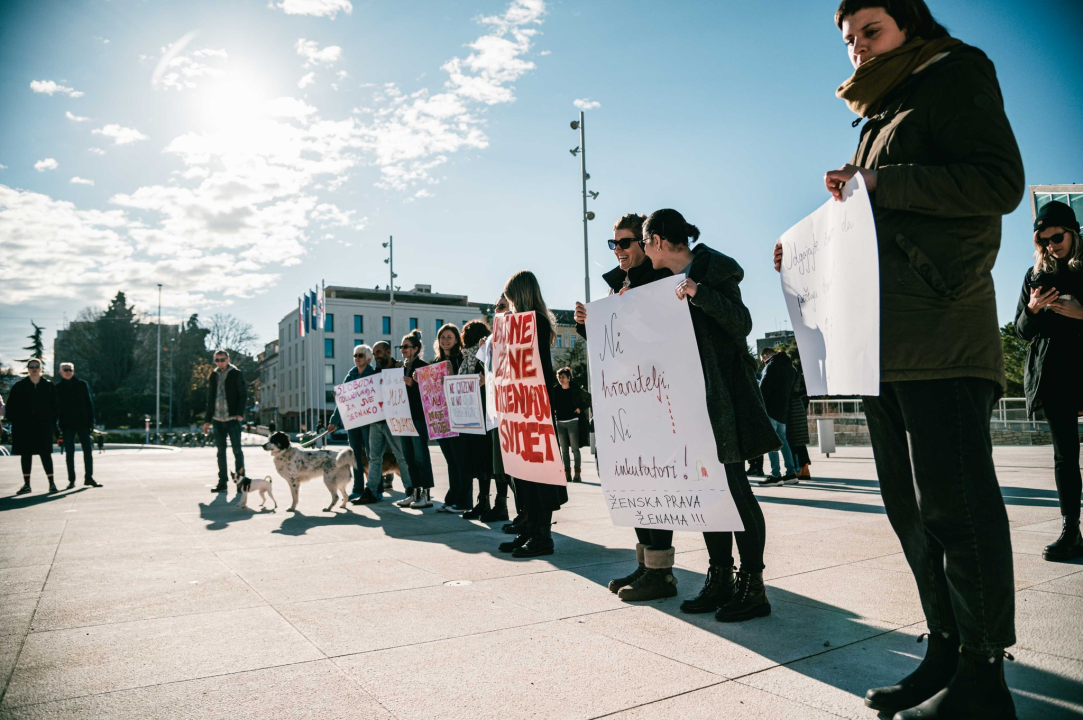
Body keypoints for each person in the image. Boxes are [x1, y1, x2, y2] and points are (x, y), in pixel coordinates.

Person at [771, 2, 1024, 716]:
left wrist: (883, 184)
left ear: (910, 26)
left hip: (940, 332)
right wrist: (811, 246)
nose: (857, 50)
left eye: (870, 33)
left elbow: (996, 183)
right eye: (849, 41)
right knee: (910, 510)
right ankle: (944, 648)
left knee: (958, 508)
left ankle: (983, 673)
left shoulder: (953, 75)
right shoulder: (881, 110)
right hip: (881, 344)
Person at [628, 209, 780, 618]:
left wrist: (700, 293)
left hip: (725, 399)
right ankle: (720, 577)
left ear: (658, 240)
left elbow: (742, 323)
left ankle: (753, 585)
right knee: (707, 491)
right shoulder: (662, 283)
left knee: (734, 488)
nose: (642, 250)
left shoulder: (716, 269)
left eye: (644, 241)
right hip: (688, 403)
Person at [1015, 200, 1083, 562]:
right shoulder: (1034, 275)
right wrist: (1033, 309)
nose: (1051, 246)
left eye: (1057, 237)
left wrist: (1081, 313)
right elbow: (1021, 331)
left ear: (1072, 232)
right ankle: (1071, 530)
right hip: (1054, 374)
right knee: (1065, 457)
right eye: (1043, 241)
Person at [497, 271, 565, 558]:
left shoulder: (534, 320)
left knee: (538, 474)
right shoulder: (519, 322)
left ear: (520, 294)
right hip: (519, 407)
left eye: (510, 295)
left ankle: (542, 536)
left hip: (533, 406)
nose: (507, 301)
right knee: (522, 473)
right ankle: (528, 530)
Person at [574, 213, 672, 339]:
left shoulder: (663, 277)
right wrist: (584, 322)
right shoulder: (614, 286)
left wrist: (640, 306)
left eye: (624, 243)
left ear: (643, 243)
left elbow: (673, 326)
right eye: (613, 243)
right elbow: (609, 342)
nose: (617, 249)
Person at [354, 341, 412, 504]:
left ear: (388, 352)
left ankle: (410, 490)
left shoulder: (400, 368)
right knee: (374, 458)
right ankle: (371, 491)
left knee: (401, 456)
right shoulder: (375, 372)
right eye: (374, 353)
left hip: (394, 420)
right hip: (376, 421)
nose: (376, 356)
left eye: (378, 352)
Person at [456, 320, 496, 519]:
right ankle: (483, 502)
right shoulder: (466, 357)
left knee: (485, 462)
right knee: (479, 462)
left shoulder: (481, 354)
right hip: (471, 416)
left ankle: (488, 503)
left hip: (482, 415)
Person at [327, 345, 377, 502]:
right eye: (355, 355)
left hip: (369, 421)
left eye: (360, 355)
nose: (357, 358)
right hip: (353, 421)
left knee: (371, 454)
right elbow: (342, 402)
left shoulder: (373, 375)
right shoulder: (350, 376)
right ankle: (357, 488)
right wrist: (334, 421)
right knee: (355, 456)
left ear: (368, 358)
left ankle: (375, 488)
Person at [6, 358, 59, 494]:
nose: (34, 368)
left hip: (43, 425)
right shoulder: (20, 385)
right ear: (28, 369)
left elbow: (55, 407)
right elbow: (11, 406)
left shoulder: (48, 385)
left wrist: (53, 425)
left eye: (37, 366)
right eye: (31, 366)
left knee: (45, 454)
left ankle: (52, 483)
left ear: (41, 368)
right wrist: (15, 422)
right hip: (24, 426)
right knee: (26, 454)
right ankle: (26, 484)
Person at [433, 324, 469, 513]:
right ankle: (452, 497)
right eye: (442, 337)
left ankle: (463, 500)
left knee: (460, 460)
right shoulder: (436, 362)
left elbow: (466, 387)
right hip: (441, 418)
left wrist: (453, 375)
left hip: (459, 418)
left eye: (449, 337)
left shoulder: (461, 359)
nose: (445, 340)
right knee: (450, 461)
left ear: (457, 340)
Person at [398, 330, 435, 509]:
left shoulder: (422, 366)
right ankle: (414, 493)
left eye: (406, 347)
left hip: (418, 417)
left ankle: (426, 494)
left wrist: (414, 385)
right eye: (401, 347)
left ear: (416, 348)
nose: (402, 350)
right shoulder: (400, 367)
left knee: (421, 457)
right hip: (403, 418)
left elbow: (430, 393)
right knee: (409, 457)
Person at [203, 350, 247, 493]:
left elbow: (243, 394)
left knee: (237, 451)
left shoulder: (236, 373)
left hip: (232, 418)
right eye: (217, 360)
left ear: (228, 359)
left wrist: (239, 413)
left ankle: (241, 482)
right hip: (217, 419)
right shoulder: (213, 375)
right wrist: (207, 421)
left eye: (222, 359)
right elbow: (210, 398)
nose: (220, 362)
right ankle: (223, 483)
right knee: (220, 452)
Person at [56, 362, 101, 489]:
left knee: (88, 451)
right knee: (69, 453)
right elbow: (56, 408)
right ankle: (71, 480)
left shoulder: (82, 384)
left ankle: (89, 477)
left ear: (73, 370)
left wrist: (91, 421)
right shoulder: (57, 388)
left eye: (70, 369)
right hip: (67, 424)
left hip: (83, 423)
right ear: (60, 372)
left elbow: (88, 402)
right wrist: (57, 425)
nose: (68, 371)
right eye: (65, 369)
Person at [757, 347, 799, 485]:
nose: (763, 362)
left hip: (770, 409)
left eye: (763, 360)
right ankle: (791, 473)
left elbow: (763, 389)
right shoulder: (790, 368)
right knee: (783, 440)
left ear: (766, 356)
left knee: (771, 441)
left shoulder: (771, 366)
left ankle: (775, 475)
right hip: (783, 410)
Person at [551, 367, 584, 483]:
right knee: (564, 450)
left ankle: (577, 474)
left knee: (575, 449)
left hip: (572, 421)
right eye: (559, 377)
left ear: (569, 378)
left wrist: (580, 408)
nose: (561, 379)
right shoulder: (555, 389)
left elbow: (586, 399)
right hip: (560, 422)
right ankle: (567, 474)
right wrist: (553, 409)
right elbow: (552, 403)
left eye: (563, 377)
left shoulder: (575, 389)